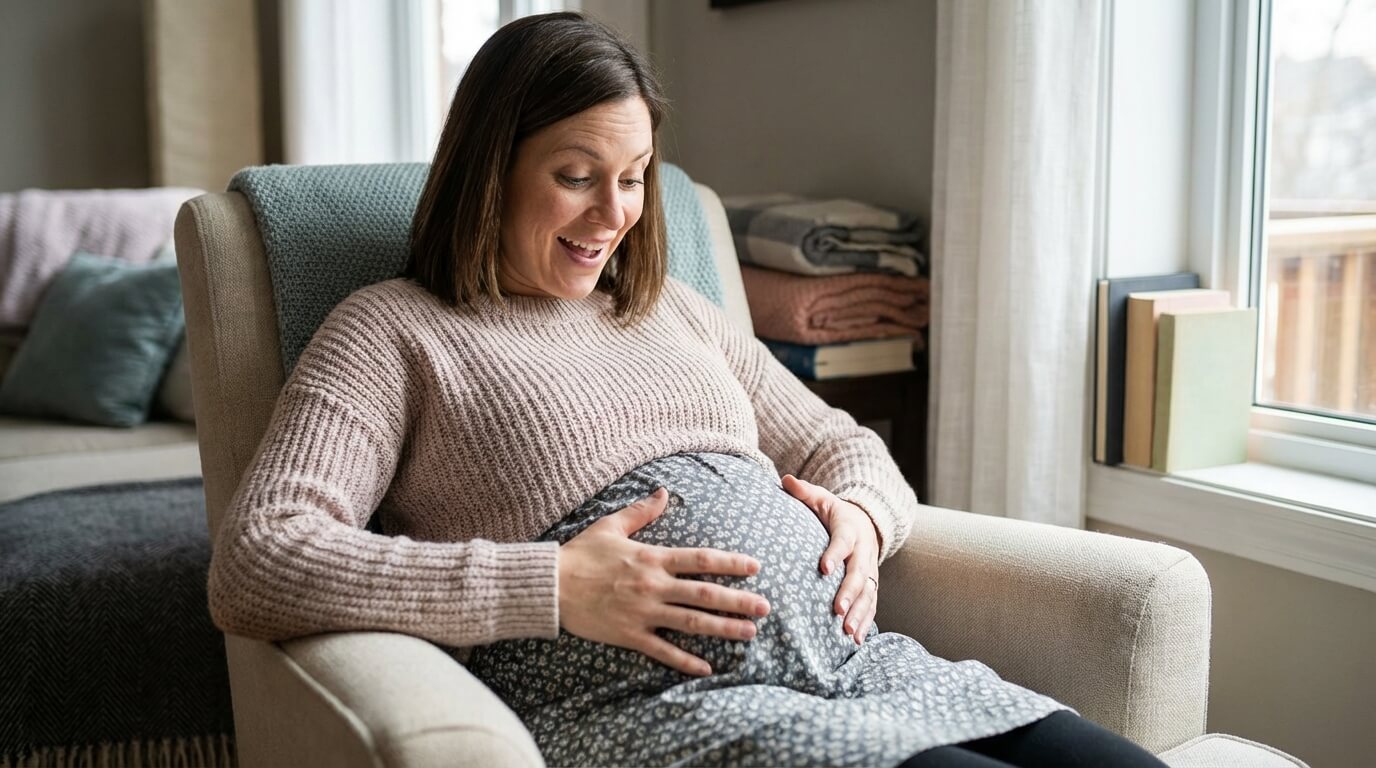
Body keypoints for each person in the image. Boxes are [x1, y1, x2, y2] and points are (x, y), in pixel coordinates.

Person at [207, 11, 1169, 768]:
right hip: (664, 715)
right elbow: (260, 558)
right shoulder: (394, 331)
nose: (614, 215)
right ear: (487, 169)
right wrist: (549, 585)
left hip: (859, 671)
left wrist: (866, 522)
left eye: (633, 179)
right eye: (577, 176)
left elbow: (843, 445)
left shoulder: (667, 307)